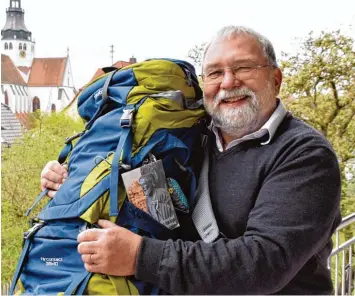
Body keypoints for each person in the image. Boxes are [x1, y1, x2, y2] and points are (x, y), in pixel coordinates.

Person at [40, 25, 342, 294]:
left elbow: (264, 263)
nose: (228, 82)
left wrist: (140, 257)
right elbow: (159, 209)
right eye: (214, 72)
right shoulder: (191, 139)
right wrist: (83, 182)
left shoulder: (305, 154)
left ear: (275, 79)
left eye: (244, 68)